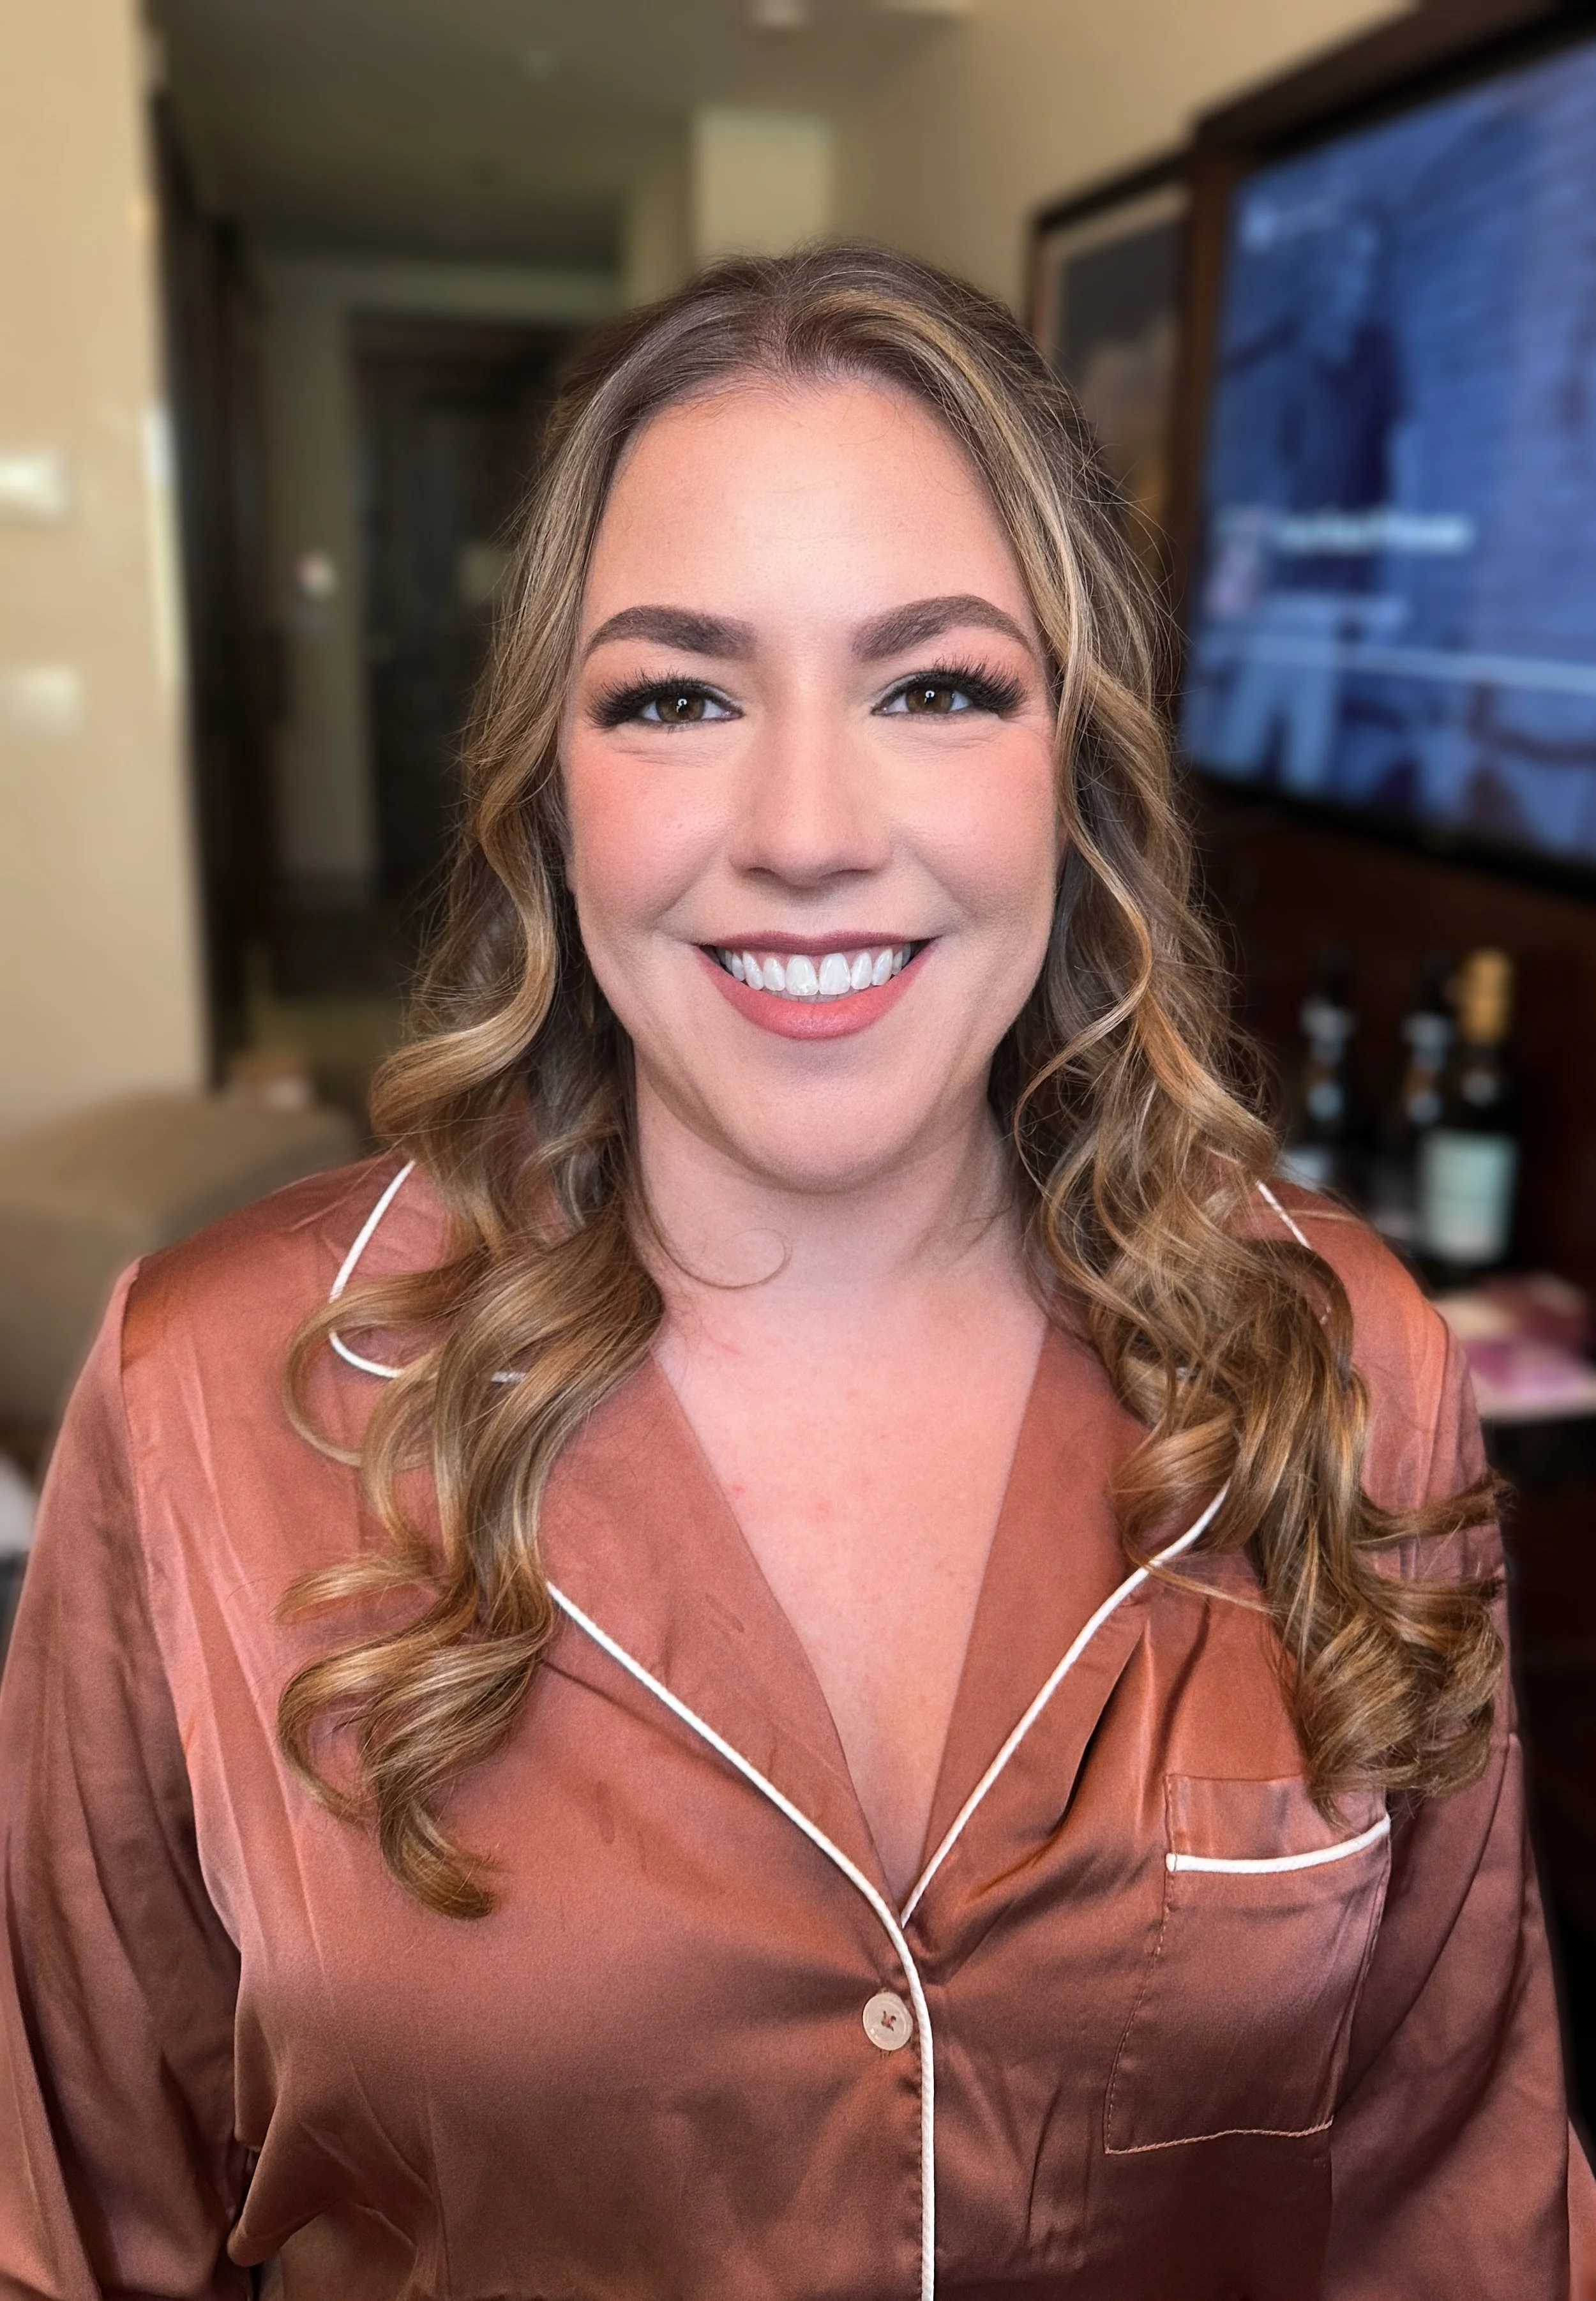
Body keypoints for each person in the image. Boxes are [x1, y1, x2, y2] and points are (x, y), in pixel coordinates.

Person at [1, 246, 1589, 2300]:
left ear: (1073, 768)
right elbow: (63, 2221)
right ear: (552, 794)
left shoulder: (1339, 1357)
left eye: (934, 684)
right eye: (675, 695)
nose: (809, 828)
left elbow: (1455, 2209)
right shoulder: (221, 1388)